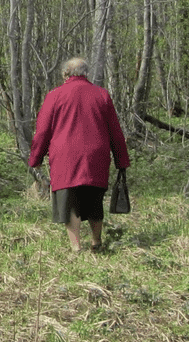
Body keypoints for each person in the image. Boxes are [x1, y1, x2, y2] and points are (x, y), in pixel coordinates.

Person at [29, 57, 131, 253]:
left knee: (70, 202)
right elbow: (115, 132)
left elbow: (42, 132)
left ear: (66, 73)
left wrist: (36, 158)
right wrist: (121, 160)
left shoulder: (54, 96)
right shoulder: (102, 95)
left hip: (65, 158)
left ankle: (76, 248)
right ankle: (96, 242)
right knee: (94, 200)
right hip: (96, 157)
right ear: (86, 73)